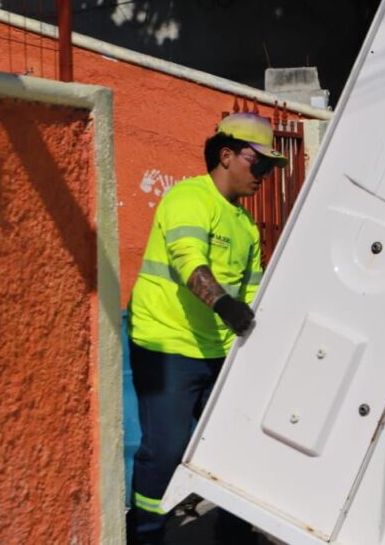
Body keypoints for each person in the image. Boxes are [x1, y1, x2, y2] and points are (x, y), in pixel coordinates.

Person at [126, 112, 287, 544]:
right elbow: (187, 261)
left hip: (218, 349)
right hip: (166, 342)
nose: (265, 176)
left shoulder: (246, 225)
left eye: (271, 169)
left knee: (233, 446)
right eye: (260, 165)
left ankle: (233, 533)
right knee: (166, 449)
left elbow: (252, 294)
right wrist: (224, 305)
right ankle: (144, 533)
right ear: (227, 155)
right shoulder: (189, 198)